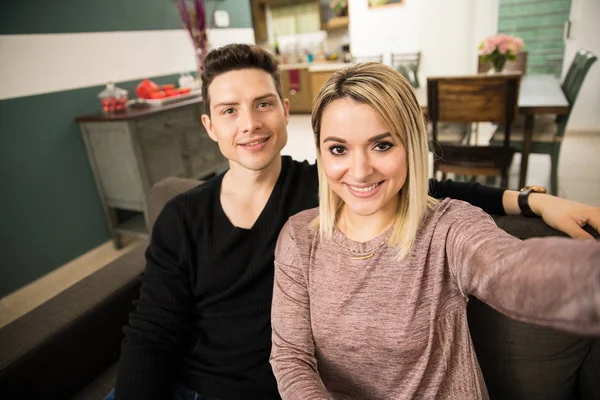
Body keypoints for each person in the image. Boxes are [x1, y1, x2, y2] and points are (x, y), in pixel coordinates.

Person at [110, 44, 600, 400]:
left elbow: (498, 255)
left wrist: (532, 202)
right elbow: (155, 331)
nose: (249, 124)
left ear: (285, 111)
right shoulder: (268, 226)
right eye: (229, 110)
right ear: (210, 125)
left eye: (262, 104)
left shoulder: (372, 204)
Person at [269, 62, 600, 400]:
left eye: (382, 145)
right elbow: (291, 357)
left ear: (411, 145)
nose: (360, 171)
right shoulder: (300, 238)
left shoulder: (449, 227)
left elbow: (518, 272)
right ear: (321, 153)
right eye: (339, 149)